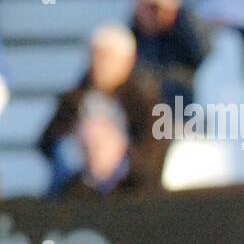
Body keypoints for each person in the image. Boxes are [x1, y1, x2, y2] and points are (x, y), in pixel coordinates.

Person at [39, 24, 165, 195]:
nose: (100, 64)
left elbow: (153, 154)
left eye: (108, 57)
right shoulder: (74, 99)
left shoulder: (145, 101)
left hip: (131, 194)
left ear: (128, 60)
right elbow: (47, 142)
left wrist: (118, 156)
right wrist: (78, 148)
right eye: (95, 56)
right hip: (77, 191)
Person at [130, 0, 207, 108]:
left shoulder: (182, 36)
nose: (152, 13)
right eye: (147, 6)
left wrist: (178, 11)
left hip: (181, 114)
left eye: (156, 7)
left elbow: (203, 54)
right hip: (143, 117)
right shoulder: (129, 40)